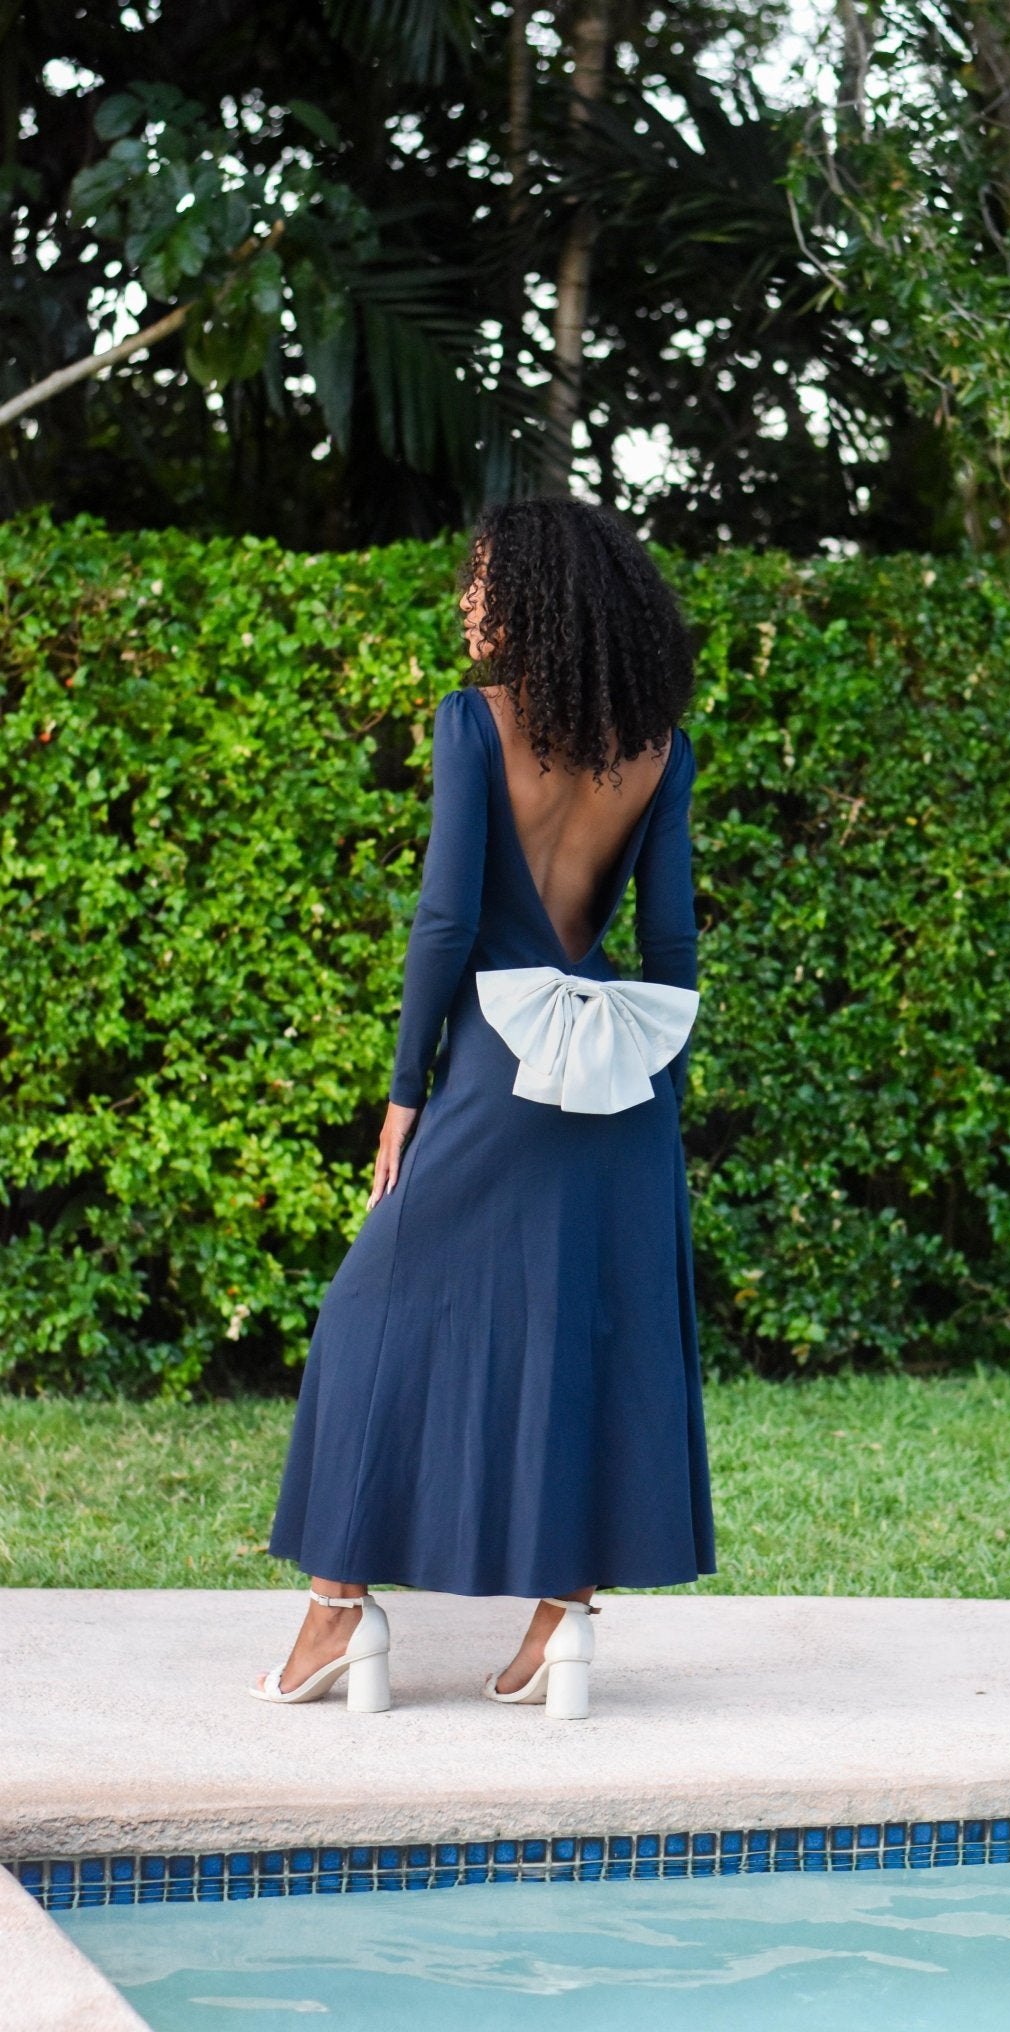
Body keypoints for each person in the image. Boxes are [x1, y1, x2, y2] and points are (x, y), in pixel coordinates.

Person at [252, 496, 716, 1718]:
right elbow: (669, 941)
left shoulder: (474, 725)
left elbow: (448, 923)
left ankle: (339, 1611)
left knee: (368, 1315)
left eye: (480, 583)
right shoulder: (660, 745)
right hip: (623, 1077)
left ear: (536, 600)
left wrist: (404, 1095)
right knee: (583, 1332)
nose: (466, 603)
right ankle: (564, 1614)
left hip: (499, 1071)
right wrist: (652, 1081)